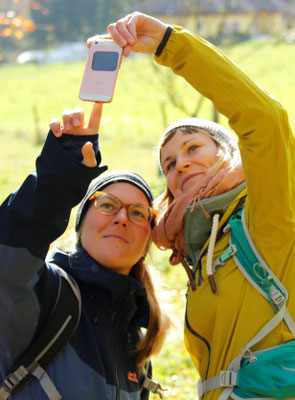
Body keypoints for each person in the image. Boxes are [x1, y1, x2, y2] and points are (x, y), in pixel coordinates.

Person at [101, 11, 295, 400]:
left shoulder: (266, 210)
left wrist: (170, 45)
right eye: (169, 164)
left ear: (228, 154)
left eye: (193, 148)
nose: (181, 163)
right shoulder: (199, 253)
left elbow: (266, 119)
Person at [0, 103, 170, 400]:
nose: (121, 217)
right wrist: (60, 180)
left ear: (147, 243)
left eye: (138, 213)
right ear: (79, 226)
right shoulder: (41, 293)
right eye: (107, 205)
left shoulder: (136, 345)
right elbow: (10, 244)